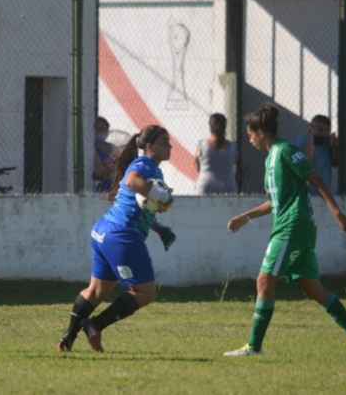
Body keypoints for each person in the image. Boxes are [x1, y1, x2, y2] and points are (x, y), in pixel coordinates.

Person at [223, 103, 346, 358]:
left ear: (260, 131)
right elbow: (275, 202)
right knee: (312, 288)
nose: (248, 139)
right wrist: (245, 217)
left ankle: (254, 346)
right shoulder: (271, 158)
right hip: (295, 228)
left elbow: (315, 179)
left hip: (292, 227)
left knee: (264, 279)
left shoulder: (286, 151)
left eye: (250, 134)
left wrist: (337, 213)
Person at [57, 125, 177, 353]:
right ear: (150, 148)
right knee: (145, 292)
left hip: (103, 231)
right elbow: (133, 182)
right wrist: (159, 195)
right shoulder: (144, 164)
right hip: (121, 236)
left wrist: (160, 228)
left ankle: (68, 336)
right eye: (165, 142)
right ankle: (95, 325)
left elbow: (136, 207)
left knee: (95, 291)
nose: (170, 146)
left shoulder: (154, 171)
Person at [194, 113, 239, 194]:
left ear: (210, 127)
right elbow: (240, 169)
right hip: (228, 187)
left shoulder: (202, 145)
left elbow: (197, 165)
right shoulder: (233, 147)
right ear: (225, 127)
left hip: (205, 187)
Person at [294, 115, 338, 195]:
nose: (323, 133)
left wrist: (333, 146)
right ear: (312, 129)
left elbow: (335, 162)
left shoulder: (327, 145)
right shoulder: (302, 143)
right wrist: (311, 136)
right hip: (305, 194)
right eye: (320, 130)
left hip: (324, 194)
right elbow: (307, 158)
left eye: (326, 130)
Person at [93, 116, 116, 193]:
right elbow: (99, 172)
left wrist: (108, 167)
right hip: (101, 184)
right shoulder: (93, 149)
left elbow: (121, 166)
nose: (102, 132)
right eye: (99, 129)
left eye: (104, 129)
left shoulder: (112, 147)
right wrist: (112, 167)